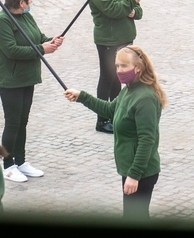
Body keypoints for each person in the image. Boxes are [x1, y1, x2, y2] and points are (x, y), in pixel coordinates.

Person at [65, 45, 165, 220]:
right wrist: (81, 96)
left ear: (138, 68)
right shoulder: (129, 89)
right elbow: (110, 109)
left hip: (141, 172)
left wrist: (134, 175)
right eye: (117, 66)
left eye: (124, 66)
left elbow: (147, 140)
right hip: (130, 168)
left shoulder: (145, 98)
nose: (119, 70)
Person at [0, 0, 64, 182]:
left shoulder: (26, 16)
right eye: (29, 0)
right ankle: (8, 165)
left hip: (27, 78)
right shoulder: (2, 21)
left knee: (22, 122)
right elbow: (11, 50)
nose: (31, 3)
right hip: (11, 80)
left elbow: (37, 38)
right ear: (21, 2)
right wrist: (42, 49)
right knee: (12, 123)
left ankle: (20, 161)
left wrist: (51, 40)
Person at [89, 0, 144, 133]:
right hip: (109, 40)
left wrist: (134, 10)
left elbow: (137, 9)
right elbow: (112, 10)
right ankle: (102, 119)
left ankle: (115, 113)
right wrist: (131, 1)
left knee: (118, 77)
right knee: (107, 77)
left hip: (125, 38)